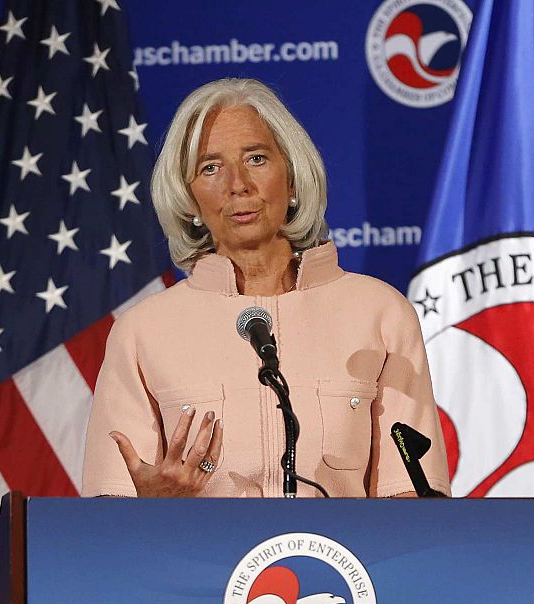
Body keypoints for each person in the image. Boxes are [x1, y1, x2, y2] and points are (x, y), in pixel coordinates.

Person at [81, 78, 451, 499]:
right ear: (189, 198)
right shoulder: (142, 332)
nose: (238, 184)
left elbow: (414, 498)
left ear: (292, 179)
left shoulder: (380, 314)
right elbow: (108, 513)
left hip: (341, 547)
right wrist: (151, 510)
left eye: (256, 159)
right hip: (201, 546)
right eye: (210, 167)